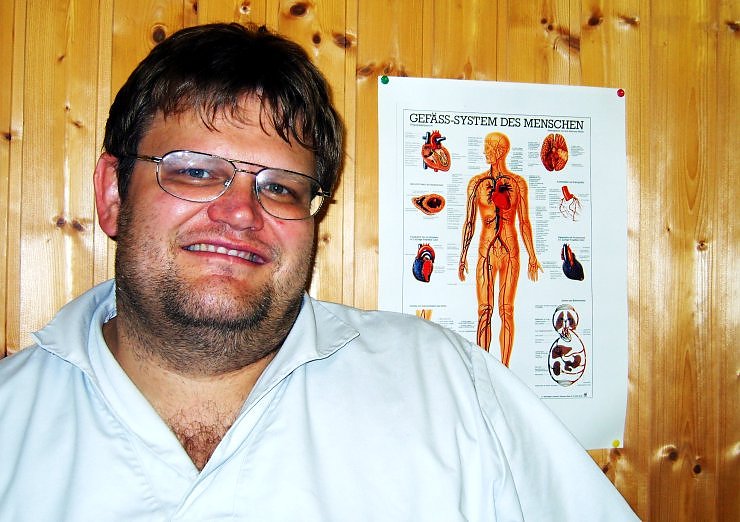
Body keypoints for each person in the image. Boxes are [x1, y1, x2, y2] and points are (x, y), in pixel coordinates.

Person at [0, 23, 638, 521]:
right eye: (195, 170)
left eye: (280, 187)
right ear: (112, 193)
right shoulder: (11, 419)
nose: (240, 212)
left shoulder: (448, 389)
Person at [459, 132, 542, 367]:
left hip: (509, 250)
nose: (484, 152)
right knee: (484, 310)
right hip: (485, 250)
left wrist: (532, 255)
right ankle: (483, 366)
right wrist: (463, 255)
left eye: (488, 148)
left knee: (506, 310)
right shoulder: (476, 183)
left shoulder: (517, 183)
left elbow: (524, 222)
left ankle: (504, 368)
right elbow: (469, 222)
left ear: (500, 151)